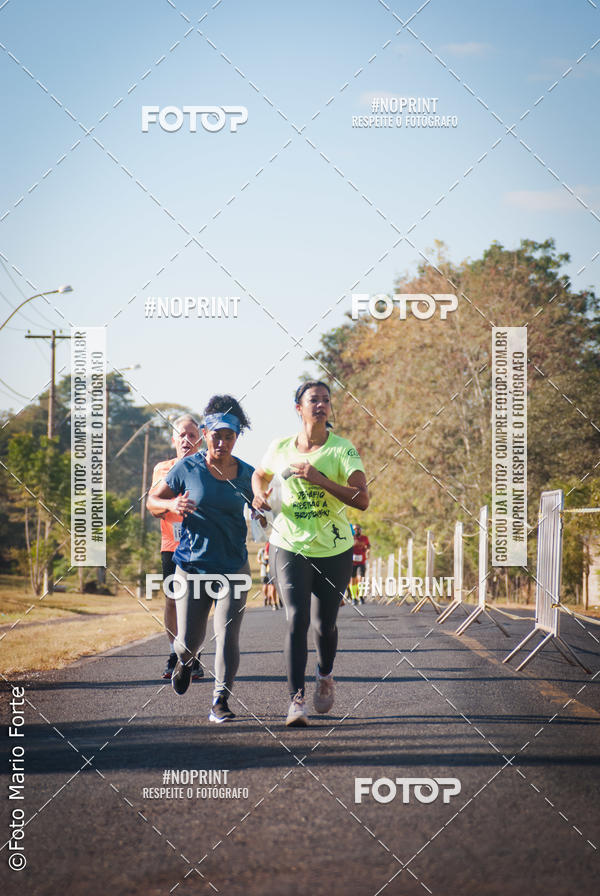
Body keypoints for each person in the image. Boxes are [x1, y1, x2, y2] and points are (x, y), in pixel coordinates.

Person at [252, 380, 369, 727]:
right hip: (289, 545)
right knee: (296, 620)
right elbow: (260, 475)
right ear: (298, 408)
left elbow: (362, 499)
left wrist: (320, 479)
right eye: (313, 400)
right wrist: (259, 495)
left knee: (324, 625)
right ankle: (296, 702)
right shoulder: (280, 447)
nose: (320, 405)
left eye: (325, 400)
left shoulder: (342, 450)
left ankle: (325, 673)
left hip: (334, 548)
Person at [148, 395, 263, 723]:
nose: (223, 441)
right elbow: (153, 501)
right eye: (217, 434)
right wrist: (171, 506)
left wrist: (261, 509)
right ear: (204, 432)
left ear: (236, 437)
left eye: (230, 436)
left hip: (233, 567)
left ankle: (220, 701)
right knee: (188, 642)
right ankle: (183, 662)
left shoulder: (246, 474)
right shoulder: (187, 467)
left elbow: (263, 504)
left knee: (227, 633)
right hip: (192, 566)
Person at [147, 414, 204, 680]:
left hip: (202, 545)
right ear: (173, 439)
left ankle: (194, 654)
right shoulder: (163, 469)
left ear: (200, 439)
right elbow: (151, 505)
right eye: (181, 434)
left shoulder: (208, 466)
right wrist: (170, 505)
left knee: (199, 602)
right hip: (172, 544)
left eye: (192, 435)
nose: (186, 440)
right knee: (172, 599)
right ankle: (175, 652)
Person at [350, 525, 370, 604]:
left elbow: (368, 545)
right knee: (353, 579)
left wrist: (368, 550)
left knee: (361, 579)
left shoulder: (364, 538)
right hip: (352, 561)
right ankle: (354, 598)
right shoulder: (350, 538)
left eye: (358, 529)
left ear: (360, 530)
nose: (357, 530)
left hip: (362, 561)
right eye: (355, 529)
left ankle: (361, 596)